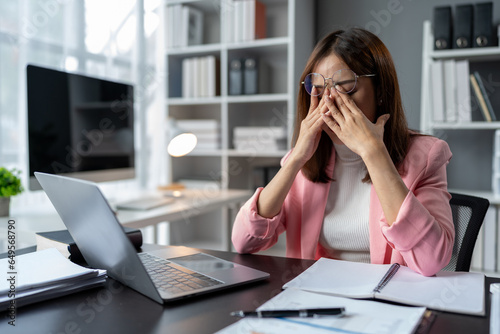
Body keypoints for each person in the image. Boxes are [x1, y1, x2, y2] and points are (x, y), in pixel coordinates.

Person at [231, 28, 454, 277]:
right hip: (320, 295)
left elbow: (432, 260)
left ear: (380, 91)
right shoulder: (306, 159)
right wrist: (294, 160)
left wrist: (373, 153)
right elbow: (244, 241)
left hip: (390, 301)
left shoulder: (427, 155)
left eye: (345, 88)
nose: (330, 103)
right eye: (318, 90)